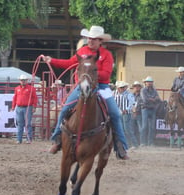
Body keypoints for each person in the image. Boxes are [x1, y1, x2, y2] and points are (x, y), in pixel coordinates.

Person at [43, 25, 129, 159]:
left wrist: (88, 73)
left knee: (115, 114)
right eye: (89, 38)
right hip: (82, 85)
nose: (90, 41)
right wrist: (51, 60)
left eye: (94, 39)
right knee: (65, 109)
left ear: (100, 41)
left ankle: (121, 145)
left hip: (101, 86)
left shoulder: (106, 55)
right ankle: (57, 139)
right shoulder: (82, 51)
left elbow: (106, 75)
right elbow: (69, 63)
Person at [11, 74, 38, 144]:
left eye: (24, 80)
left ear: (27, 81)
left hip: (28, 107)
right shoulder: (17, 89)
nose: (23, 81)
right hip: (19, 107)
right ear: (20, 81)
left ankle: (28, 139)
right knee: (20, 123)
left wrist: (34, 106)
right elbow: (15, 98)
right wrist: (13, 106)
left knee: (27, 123)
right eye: (22, 80)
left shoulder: (31, 88)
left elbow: (35, 98)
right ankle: (19, 139)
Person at [114, 81, 139, 149]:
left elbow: (132, 103)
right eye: (120, 87)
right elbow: (114, 103)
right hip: (119, 113)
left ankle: (134, 144)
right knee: (122, 129)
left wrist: (127, 109)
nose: (121, 89)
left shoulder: (128, 94)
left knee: (127, 129)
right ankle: (126, 144)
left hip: (126, 114)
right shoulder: (114, 93)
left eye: (122, 87)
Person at [140, 76, 161, 147]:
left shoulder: (154, 90)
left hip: (152, 109)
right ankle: (143, 142)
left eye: (150, 82)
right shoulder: (143, 90)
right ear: (145, 83)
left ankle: (150, 142)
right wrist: (153, 99)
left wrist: (151, 99)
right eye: (148, 82)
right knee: (144, 126)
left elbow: (158, 99)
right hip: (145, 108)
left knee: (152, 127)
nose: (149, 83)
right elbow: (144, 99)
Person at [131, 81, 143, 146]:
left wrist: (136, 111)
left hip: (139, 113)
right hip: (132, 114)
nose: (137, 87)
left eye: (138, 86)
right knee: (132, 129)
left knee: (140, 129)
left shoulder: (142, 95)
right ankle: (134, 143)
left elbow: (142, 104)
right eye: (135, 86)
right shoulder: (131, 96)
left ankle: (141, 143)